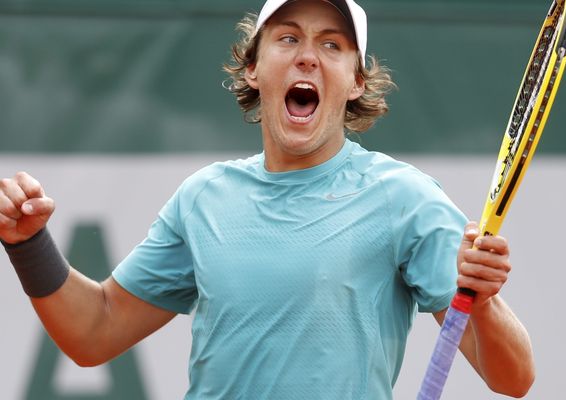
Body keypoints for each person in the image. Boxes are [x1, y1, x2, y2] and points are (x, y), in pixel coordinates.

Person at [0, 0, 535, 399]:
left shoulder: (406, 199)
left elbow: (513, 378)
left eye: (332, 44)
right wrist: (29, 245)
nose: (308, 57)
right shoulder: (203, 199)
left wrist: (481, 305)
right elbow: (94, 332)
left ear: (355, 81)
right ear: (254, 67)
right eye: (287, 38)